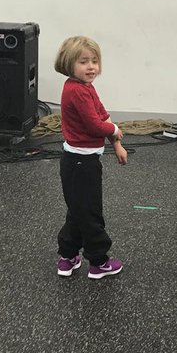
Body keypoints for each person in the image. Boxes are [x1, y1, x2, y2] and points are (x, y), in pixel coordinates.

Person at [54, 36, 128, 279]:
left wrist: (116, 144)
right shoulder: (77, 91)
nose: (91, 67)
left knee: (78, 210)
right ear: (69, 63)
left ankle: (67, 256)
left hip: (80, 161)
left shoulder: (85, 87)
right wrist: (114, 130)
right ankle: (98, 261)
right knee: (89, 213)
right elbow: (95, 125)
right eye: (83, 62)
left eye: (94, 61)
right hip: (81, 164)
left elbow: (102, 114)